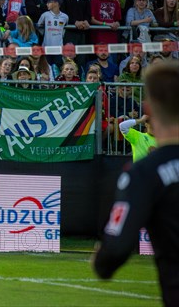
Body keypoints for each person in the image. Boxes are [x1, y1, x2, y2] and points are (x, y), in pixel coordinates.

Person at [92, 61, 179, 307]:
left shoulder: (144, 173)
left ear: (149, 108)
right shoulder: (140, 142)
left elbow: (113, 251)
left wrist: (103, 259)